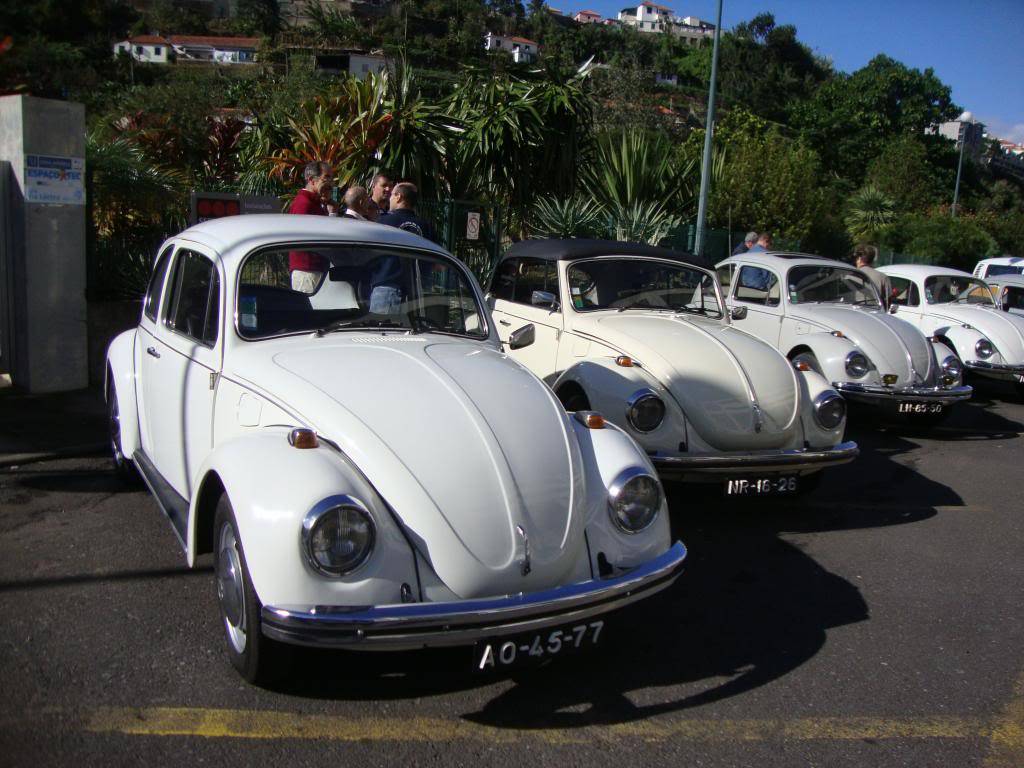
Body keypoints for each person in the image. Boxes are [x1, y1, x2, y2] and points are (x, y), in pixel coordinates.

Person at [287, 161, 333, 291]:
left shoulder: (315, 203)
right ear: (312, 180)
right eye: (326, 177)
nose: (330, 182)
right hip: (307, 270)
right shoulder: (303, 204)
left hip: (315, 269)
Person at [854, 243, 891, 308]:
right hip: (875, 314)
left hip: (853, 313)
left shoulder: (850, 275)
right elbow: (888, 302)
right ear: (872, 260)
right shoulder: (883, 277)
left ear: (859, 258)